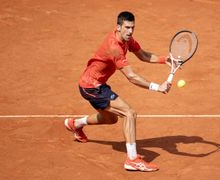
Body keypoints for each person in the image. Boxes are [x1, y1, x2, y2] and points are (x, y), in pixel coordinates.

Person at [64, 11, 172, 172]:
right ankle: (132, 159)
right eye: (127, 27)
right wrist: (157, 87)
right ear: (118, 27)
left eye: (132, 28)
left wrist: (165, 59)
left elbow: (143, 55)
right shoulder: (114, 47)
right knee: (129, 113)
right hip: (92, 86)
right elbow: (132, 77)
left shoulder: (127, 40)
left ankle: (75, 124)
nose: (130, 31)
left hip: (96, 84)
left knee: (111, 119)